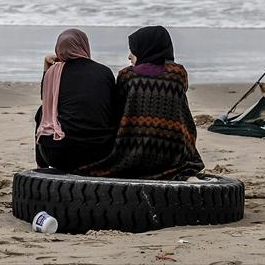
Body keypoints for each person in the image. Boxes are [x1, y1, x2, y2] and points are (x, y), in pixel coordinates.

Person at [78, 25, 204, 180]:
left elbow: (117, 111)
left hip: (132, 150)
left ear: (145, 49)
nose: (129, 56)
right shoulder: (178, 73)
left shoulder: (127, 76)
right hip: (174, 151)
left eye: (133, 50)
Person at [34, 28, 118, 171]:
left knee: (42, 112)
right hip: (100, 154)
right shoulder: (104, 72)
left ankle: (41, 167)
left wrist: (47, 66)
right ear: (84, 45)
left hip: (57, 154)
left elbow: (46, 100)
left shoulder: (53, 72)